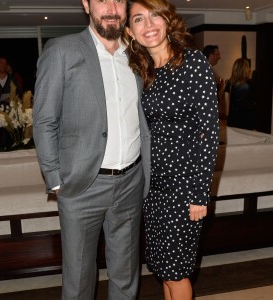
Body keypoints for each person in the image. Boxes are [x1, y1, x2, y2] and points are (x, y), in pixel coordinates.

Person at [33, 0, 150, 299]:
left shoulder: (138, 53)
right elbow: (45, 121)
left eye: (118, 0)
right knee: (79, 281)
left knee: (126, 277)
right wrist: (56, 180)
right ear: (86, 4)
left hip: (131, 182)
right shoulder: (61, 50)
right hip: (81, 186)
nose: (111, 7)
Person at [124, 0, 219, 299]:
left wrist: (199, 194)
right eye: (139, 19)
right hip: (155, 186)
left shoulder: (193, 62)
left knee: (177, 273)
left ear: (167, 20)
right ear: (130, 31)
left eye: (155, 16)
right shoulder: (145, 72)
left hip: (185, 187)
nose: (148, 25)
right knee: (164, 270)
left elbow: (209, 133)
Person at [224, 58, 256, 130]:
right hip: (248, 119)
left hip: (233, 119)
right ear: (245, 69)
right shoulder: (251, 84)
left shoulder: (229, 83)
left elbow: (226, 104)